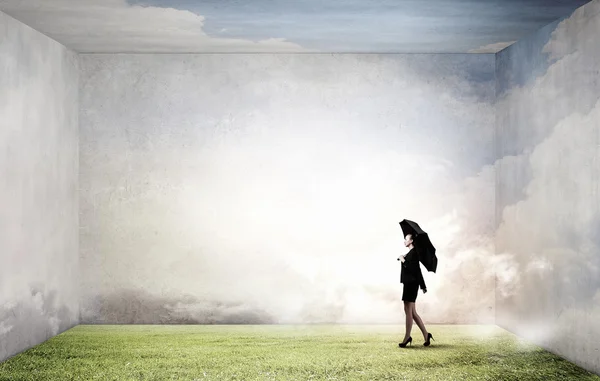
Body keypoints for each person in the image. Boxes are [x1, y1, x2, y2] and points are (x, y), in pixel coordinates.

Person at [398, 233, 434, 347]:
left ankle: (407, 337)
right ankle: (426, 334)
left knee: (408, 311)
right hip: (410, 284)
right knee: (412, 312)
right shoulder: (411, 253)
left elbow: (414, 270)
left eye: (406, 239)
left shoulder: (414, 253)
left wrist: (403, 260)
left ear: (411, 241)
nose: (404, 241)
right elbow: (417, 270)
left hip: (411, 285)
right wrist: (423, 286)